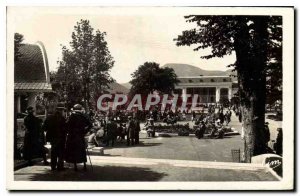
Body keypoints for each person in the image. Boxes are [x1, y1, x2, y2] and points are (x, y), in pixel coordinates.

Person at [65, 104, 92, 171]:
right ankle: (84, 166)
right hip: (80, 136)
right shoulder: (83, 116)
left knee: (73, 150)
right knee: (82, 150)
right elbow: (90, 125)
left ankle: (75, 166)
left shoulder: (72, 116)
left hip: (72, 136)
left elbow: (67, 125)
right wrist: (84, 132)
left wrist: (69, 131)